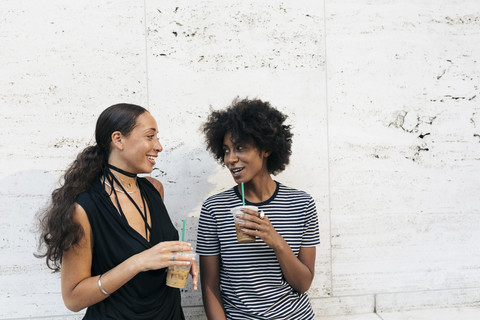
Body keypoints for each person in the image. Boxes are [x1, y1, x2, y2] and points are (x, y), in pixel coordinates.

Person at [36, 103, 197, 319]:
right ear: (118, 139)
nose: (158, 146)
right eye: (150, 136)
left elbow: (153, 268)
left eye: (157, 137)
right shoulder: (84, 208)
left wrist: (176, 260)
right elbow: (73, 299)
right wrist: (137, 262)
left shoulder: (155, 189)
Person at [196, 98, 320, 319]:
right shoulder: (214, 209)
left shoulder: (302, 204)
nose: (231, 159)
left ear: (266, 148)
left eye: (240, 148)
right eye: (226, 150)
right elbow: (210, 288)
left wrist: (275, 241)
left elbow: (303, 284)